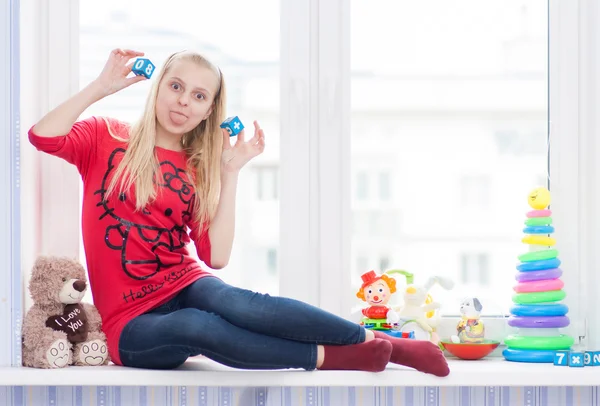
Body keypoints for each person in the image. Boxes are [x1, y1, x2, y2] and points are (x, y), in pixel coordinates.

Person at [28, 48, 450, 376]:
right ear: (157, 87)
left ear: (208, 110)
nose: (183, 102)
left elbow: (215, 258)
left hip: (182, 280)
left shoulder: (198, 167)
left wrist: (229, 173)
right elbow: (42, 136)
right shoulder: (107, 138)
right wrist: (102, 85)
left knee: (240, 304)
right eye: (175, 87)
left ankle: (381, 342)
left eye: (198, 96)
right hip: (129, 323)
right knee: (198, 326)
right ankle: (335, 357)